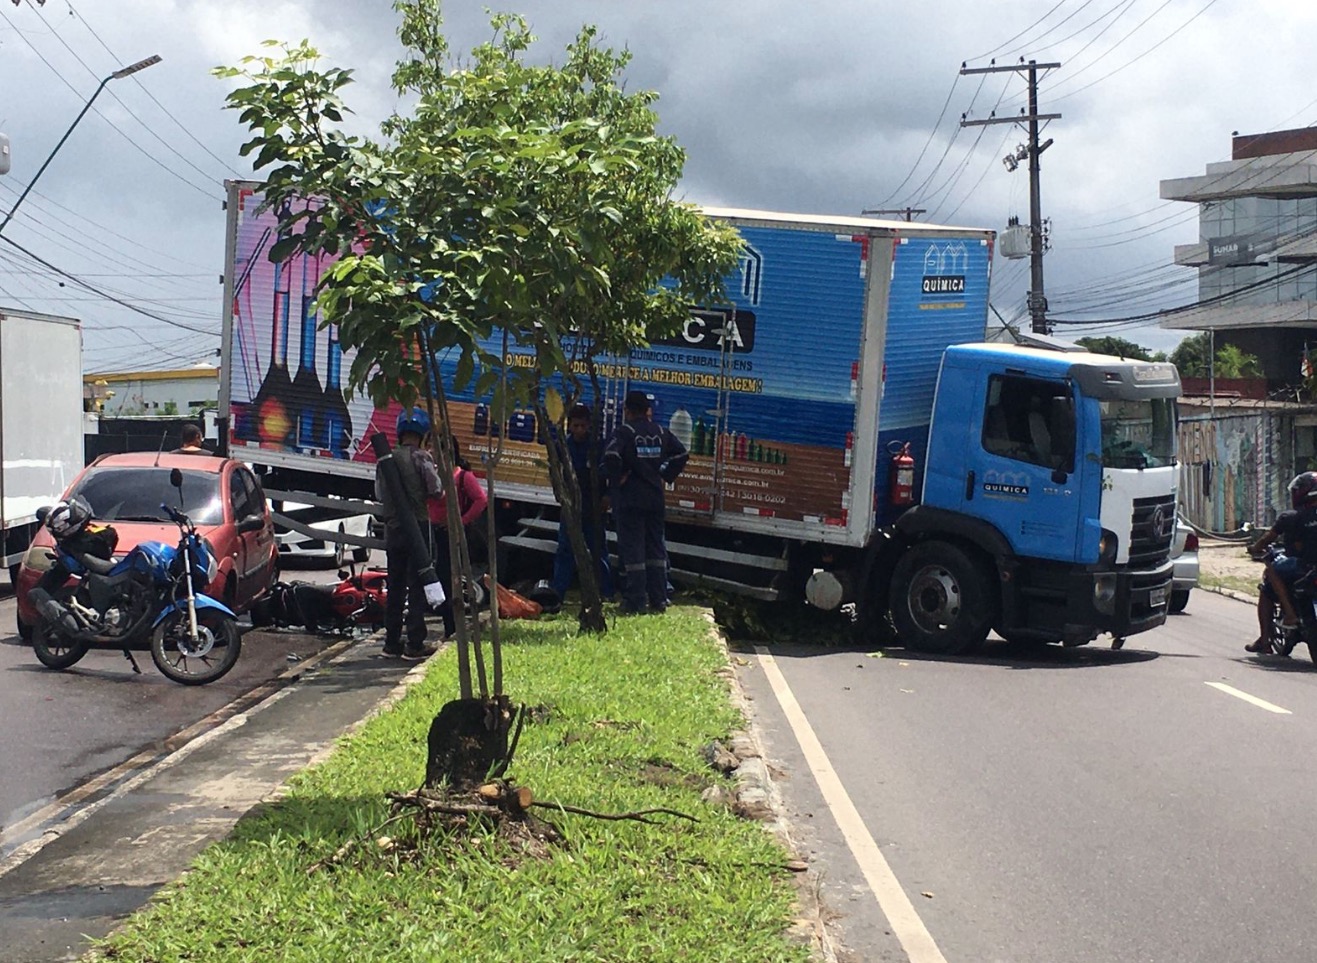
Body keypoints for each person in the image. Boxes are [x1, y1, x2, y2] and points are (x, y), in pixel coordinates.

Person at [604, 390, 687, 614]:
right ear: (647, 410)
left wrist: (617, 478)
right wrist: (663, 472)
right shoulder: (661, 432)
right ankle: (659, 600)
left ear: (627, 410)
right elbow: (681, 454)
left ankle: (636, 601)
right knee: (655, 550)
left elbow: (611, 456)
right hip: (654, 499)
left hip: (631, 499)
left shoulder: (625, 432)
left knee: (633, 553)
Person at [375, 408, 442, 659]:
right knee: (417, 584)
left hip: (393, 530)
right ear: (423, 434)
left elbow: (380, 495)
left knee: (395, 586)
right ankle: (415, 643)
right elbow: (436, 491)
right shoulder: (422, 458)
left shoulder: (385, 460)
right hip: (418, 529)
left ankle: (391, 642)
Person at [1245, 470, 1317, 653]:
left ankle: (1269, 636)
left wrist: (1254, 548)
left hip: (1304, 566)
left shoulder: (1291, 517)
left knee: (1271, 573)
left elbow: (1266, 539)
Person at [427, 435, 488, 638]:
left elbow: (481, 500)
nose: (431, 453)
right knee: (435, 577)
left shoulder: (462, 477)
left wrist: (460, 521)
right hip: (432, 530)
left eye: (434, 448)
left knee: (448, 580)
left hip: (451, 535)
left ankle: (451, 628)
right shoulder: (431, 474)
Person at [551, 404, 614, 602]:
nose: (579, 430)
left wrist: (608, 496)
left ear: (589, 426)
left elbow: (610, 472)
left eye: (583, 426)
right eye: (576, 426)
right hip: (570, 504)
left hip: (593, 505)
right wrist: (559, 492)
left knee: (598, 550)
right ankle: (558, 594)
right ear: (569, 426)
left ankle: (606, 592)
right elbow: (554, 469)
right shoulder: (563, 445)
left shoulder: (598, 446)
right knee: (565, 549)